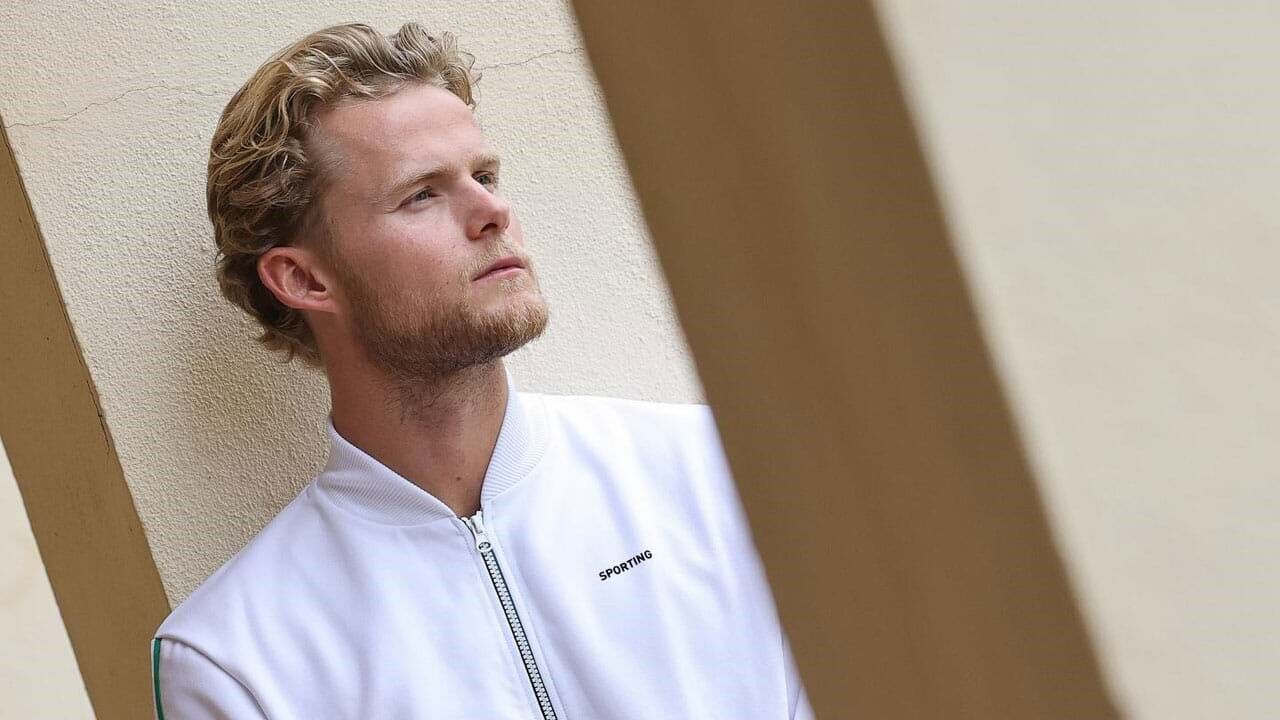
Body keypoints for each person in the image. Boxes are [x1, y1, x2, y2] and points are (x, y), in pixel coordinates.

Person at [151, 22, 812, 719]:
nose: (494, 211)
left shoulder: (714, 474)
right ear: (304, 279)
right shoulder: (235, 660)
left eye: (485, 176)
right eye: (422, 194)